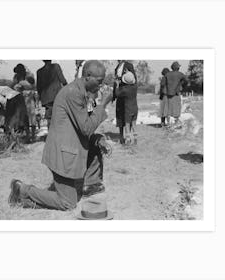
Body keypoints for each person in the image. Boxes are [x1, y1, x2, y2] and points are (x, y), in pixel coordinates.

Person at [8, 60, 113, 210]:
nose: (101, 85)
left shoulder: (82, 91)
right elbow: (86, 128)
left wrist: (98, 138)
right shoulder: (73, 93)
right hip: (62, 154)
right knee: (68, 203)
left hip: (69, 146)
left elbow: (86, 121)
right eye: (99, 81)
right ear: (88, 76)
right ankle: (22, 189)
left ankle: (89, 185)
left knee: (97, 142)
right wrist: (103, 104)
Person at [36, 60, 67, 129]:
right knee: (59, 116)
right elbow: (63, 81)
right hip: (57, 96)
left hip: (46, 99)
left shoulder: (39, 72)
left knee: (49, 118)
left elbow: (39, 88)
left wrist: (39, 99)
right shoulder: (56, 66)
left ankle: (50, 135)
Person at [113, 60, 137, 144]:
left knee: (127, 118)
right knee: (120, 115)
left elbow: (134, 79)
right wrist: (114, 95)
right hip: (121, 94)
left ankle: (128, 136)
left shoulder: (129, 65)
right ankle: (121, 136)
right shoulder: (117, 68)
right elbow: (115, 83)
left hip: (124, 93)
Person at [165, 61, 188, 126]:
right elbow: (186, 80)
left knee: (169, 108)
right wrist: (182, 85)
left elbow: (164, 83)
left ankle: (168, 123)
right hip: (176, 93)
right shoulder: (180, 74)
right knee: (177, 107)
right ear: (178, 68)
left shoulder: (167, 74)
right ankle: (176, 122)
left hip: (168, 94)